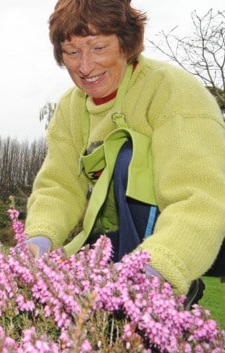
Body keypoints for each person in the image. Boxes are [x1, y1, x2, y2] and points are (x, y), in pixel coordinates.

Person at [25, 0, 225, 303]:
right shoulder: (70, 107)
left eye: (99, 48)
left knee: (125, 157)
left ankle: (161, 285)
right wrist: (40, 239)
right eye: (72, 52)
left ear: (127, 44)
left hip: (191, 231)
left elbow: (199, 197)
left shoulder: (172, 91)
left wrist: (160, 265)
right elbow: (59, 186)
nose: (85, 66)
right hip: (115, 234)